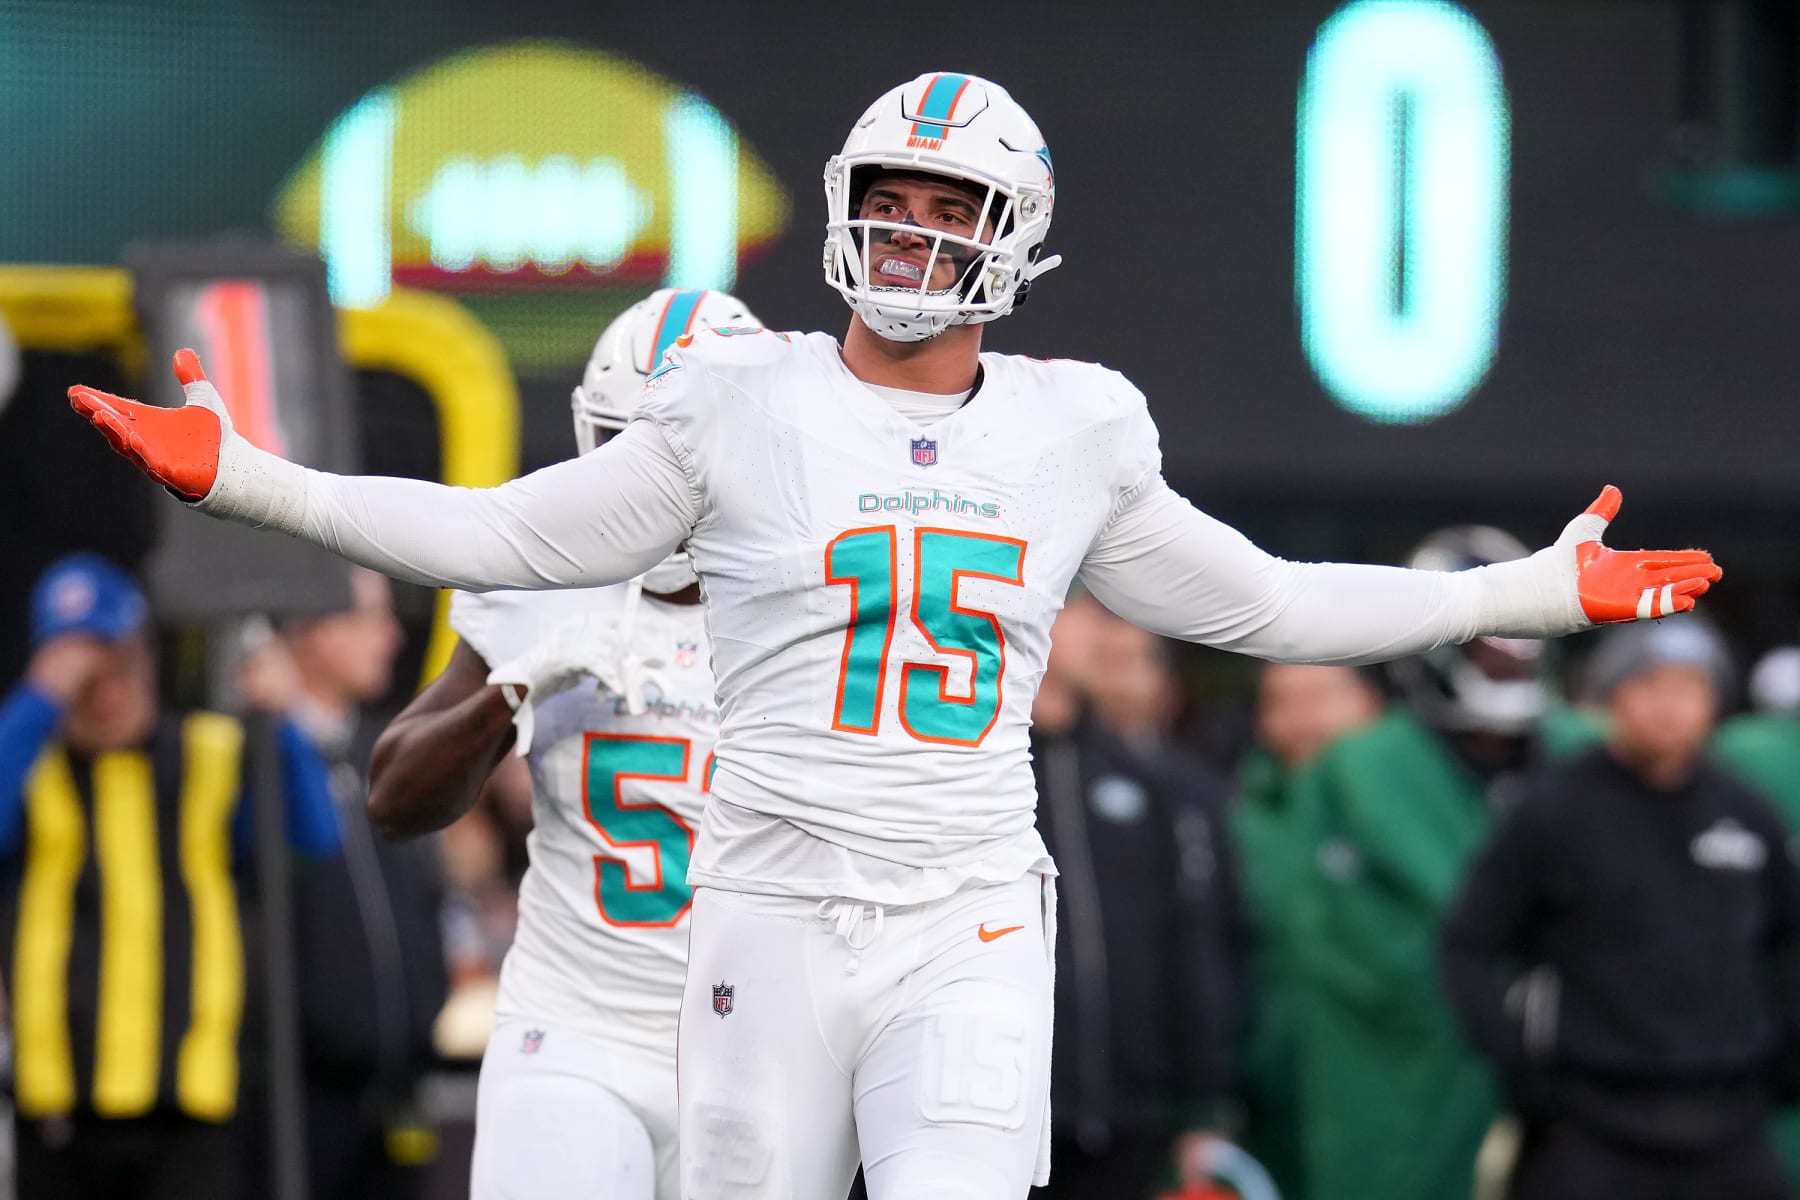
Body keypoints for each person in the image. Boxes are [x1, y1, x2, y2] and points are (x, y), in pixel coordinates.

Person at [66, 72, 1720, 1199]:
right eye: (894, 201)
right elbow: (503, 534)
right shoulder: (746, 401)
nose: (915, 237)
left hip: (965, 913)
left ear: (1015, 242)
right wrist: (258, 480)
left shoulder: (1074, 428)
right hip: (766, 906)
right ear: (850, 210)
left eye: (954, 210)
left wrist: (1529, 594)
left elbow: (1269, 601)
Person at [367, 288, 757, 1200]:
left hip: (755, 1045)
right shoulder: (542, 579)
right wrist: (514, 689)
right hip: (576, 1029)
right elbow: (393, 799)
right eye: (628, 452)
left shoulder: (821, 604)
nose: (650, 492)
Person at [0, 553, 340, 1199]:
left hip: (189, 1105)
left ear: (145, 659)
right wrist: (40, 699)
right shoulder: (30, 762)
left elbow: (313, 839)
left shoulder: (206, 754)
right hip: (58, 1107)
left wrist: (288, 720)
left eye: (114, 667)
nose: (101, 694)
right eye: (81, 678)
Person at [1287, 526, 1606, 1200]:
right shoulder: (1358, 769)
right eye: (1490, 638)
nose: (1507, 658)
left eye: (1520, 635)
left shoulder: (1591, 752)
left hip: (1587, 1060)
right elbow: (1330, 941)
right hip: (1417, 1066)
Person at [1441, 618, 1800, 1200]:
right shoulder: (1554, 811)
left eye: (1689, 687)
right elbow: (1467, 946)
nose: (1669, 706)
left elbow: (1788, 940)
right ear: (1611, 696)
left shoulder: (1746, 810)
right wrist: (1524, 1070)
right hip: (1593, 1124)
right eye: (1648, 685)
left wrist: (1787, 1053)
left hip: (1730, 1119)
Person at [238, 566, 448, 1199]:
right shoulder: (252, 749)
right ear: (310, 630)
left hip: (396, 1092)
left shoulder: (381, 749)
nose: (390, 637)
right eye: (368, 618)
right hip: (300, 1098)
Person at [1030, 594, 1243, 1198]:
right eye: (1085, 616)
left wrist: (1203, 1101)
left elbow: (1191, 942)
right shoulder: (979, 766)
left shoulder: (1150, 779)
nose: (1102, 637)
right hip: (1004, 1109)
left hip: (1129, 1118)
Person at [1230, 663, 1383, 1199]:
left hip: (1386, 1086)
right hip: (1268, 1093)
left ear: (1368, 703)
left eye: (1318, 696)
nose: (1299, 718)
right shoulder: (1239, 817)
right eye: (1278, 701)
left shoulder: (1409, 812)